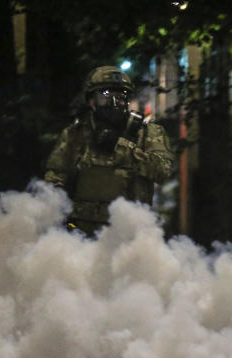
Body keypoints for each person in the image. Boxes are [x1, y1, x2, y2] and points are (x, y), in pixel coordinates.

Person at [44, 66, 173, 235]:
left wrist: (120, 147)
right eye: (106, 95)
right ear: (91, 101)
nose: (115, 101)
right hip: (81, 234)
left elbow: (162, 170)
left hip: (131, 234)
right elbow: (54, 182)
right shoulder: (75, 135)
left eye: (121, 96)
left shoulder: (147, 133)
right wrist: (62, 222)